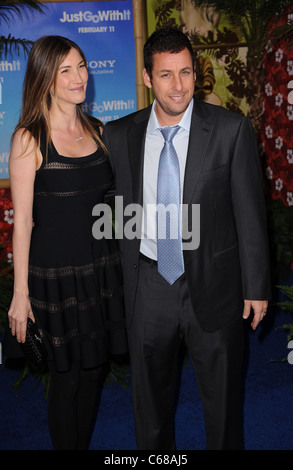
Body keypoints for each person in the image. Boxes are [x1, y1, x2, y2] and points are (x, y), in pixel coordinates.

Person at [102, 27, 271, 450]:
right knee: (150, 415)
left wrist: (256, 286)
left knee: (223, 410)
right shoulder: (120, 135)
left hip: (214, 287)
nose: (178, 86)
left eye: (186, 72)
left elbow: (250, 214)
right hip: (149, 288)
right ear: (146, 78)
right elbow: (115, 211)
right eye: (165, 75)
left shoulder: (231, 130)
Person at [7, 35, 127, 450]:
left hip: (100, 270)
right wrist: (20, 295)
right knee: (67, 374)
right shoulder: (29, 138)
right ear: (46, 78)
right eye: (66, 70)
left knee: (94, 370)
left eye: (81, 66)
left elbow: (111, 208)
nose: (79, 77)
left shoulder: (98, 131)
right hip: (54, 276)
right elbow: (22, 222)